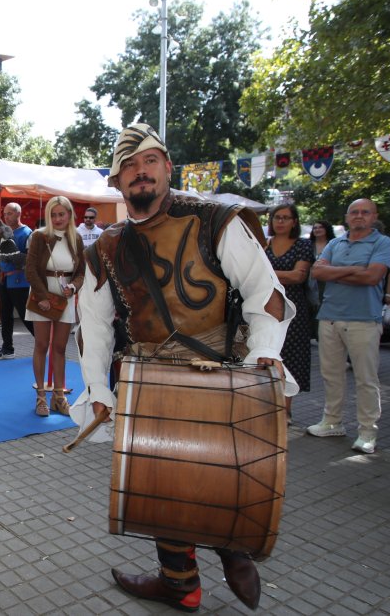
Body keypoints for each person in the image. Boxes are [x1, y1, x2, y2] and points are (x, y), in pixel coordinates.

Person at [71, 123, 294, 613]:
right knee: (160, 485)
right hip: (148, 380)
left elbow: (266, 293)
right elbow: (91, 324)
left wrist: (265, 359)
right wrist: (97, 391)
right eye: (128, 166)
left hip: (223, 374)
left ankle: (233, 548)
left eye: (149, 161)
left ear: (168, 167)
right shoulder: (104, 247)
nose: (140, 172)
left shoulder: (216, 219)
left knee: (219, 476)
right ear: (116, 183)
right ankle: (180, 583)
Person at [307, 198, 390, 453]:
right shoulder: (335, 242)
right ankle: (332, 421)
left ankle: (367, 432)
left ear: (374, 216)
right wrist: (354, 270)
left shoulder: (383, 242)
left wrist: (336, 270)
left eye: (364, 212)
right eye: (354, 212)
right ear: (346, 217)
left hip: (364, 319)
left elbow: (373, 277)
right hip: (330, 316)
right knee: (331, 375)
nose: (359, 216)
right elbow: (317, 273)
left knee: (366, 379)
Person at [25, 195, 85, 417]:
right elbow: (30, 269)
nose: (58, 218)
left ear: (69, 214)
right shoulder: (40, 236)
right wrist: (41, 296)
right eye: (53, 214)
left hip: (65, 297)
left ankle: (59, 396)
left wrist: (74, 287)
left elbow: (81, 271)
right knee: (41, 345)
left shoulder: (76, 238)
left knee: (60, 347)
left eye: (61, 213)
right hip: (41, 296)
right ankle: (41, 396)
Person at [265, 203, 314, 423]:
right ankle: (267, 407)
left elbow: (298, 277)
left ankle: (285, 411)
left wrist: (266, 273)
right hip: (265, 307)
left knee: (290, 357)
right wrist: (282, 274)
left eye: (286, 218)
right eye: (277, 217)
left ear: (294, 222)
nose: (281, 221)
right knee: (266, 353)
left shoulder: (303, 245)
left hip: (293, 309)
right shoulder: (264, 244)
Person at [0, 202, 34, 360]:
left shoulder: (28, 233)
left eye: (9, 213)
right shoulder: (4, 233)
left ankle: (43, 343)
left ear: (18, 214)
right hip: (4, 280)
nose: (6, 217)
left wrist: (15, 255)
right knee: (5, 315)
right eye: (5, 214)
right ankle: (7, 348)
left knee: (25, 315)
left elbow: (30, 260)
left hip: (20, 281)